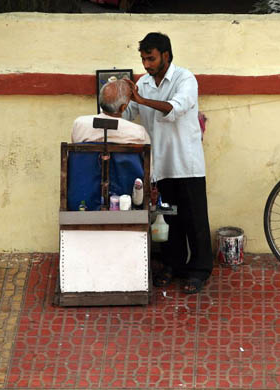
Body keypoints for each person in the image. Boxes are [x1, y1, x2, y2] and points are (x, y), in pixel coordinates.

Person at [123, 32, 212, 294]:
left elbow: (175, 108)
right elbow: (129, 112)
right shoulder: (144, 84)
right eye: (143, 59)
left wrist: (140, 100)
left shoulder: (186, 79)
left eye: (150, 58)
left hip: (187, 163)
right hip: (160, 165)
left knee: (195, 220)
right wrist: (118, 98)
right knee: (171, 219)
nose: (147, 65)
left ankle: (199, 270)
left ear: (166, 55)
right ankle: (174, 266)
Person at [72, 79, 150, 145]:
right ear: (123, 107)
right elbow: (147, 161)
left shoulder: (79, 124)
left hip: (88, 163)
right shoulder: (139, 132)